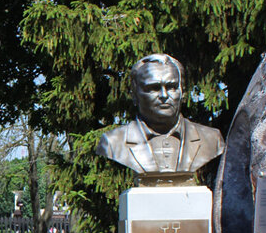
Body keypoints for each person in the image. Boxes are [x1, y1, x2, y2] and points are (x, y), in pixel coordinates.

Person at [95, 53, 224, 176]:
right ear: (134, 95)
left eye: (172, 87)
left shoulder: (212, 139)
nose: (164, 95)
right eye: (154, 88)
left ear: (183, 92)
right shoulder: (112, 142)